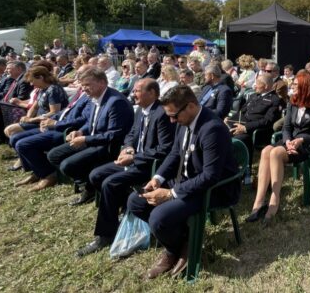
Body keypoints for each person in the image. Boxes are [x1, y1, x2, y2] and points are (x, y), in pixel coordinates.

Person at [126, 85, 239, 279]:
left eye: (174, 115)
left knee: (159, 218)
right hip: (188, 181)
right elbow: (175, 154)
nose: (171, 120)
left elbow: (210, 176)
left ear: (191, 106)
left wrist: (170, 193)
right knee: (135, 201)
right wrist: (157, 178)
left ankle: (175, 250)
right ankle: (182, 243)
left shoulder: (212, 129)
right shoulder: (183, 120)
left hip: (213, 189)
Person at [76, 79, 176, 256]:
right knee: (96, 175)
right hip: (134, 159)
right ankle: (122, 206)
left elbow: (165, 149)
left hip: (149, 166)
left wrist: (134, 157)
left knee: (110, 183)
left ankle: (105, 235)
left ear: (152, 93)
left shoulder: (161, 113)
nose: (133, 94)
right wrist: (128, 147)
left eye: (138, 91)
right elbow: (131, 133)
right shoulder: (141, 111)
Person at [247, 72, 310, 224]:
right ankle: (259, 201)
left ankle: (274, 200)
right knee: (265, 151)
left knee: (275, 152)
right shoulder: (292, 102)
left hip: (306, 145)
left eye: (296, 85)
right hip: (289, 141)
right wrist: (288, 140)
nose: (292, 86)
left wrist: (301, 139)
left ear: (305, 86)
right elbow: (287, 127)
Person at [47, 68, 134, 205]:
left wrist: (85, 139)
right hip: (93, 140)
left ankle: (89, 188)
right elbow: (91, 122)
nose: (84, 88)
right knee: (54, 155)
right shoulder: (96, 98)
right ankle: (87, 184)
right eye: (82, 85)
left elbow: (114, 134)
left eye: (87, 84)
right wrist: (81, 132)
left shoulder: (116, 101)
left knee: (67, 165)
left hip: (107, 146)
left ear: (102, 83)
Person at [227, 73, 280, 163]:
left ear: (266, 86)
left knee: (239, 139)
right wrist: (228, 120)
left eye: (257, 84)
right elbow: (241, 111)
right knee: (218, 133)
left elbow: (267, 120)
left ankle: (245, 169)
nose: (254, 86)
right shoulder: (254, 96)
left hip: (254, 130)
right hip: (239, 124)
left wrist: (245, 127)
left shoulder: (274, 100)